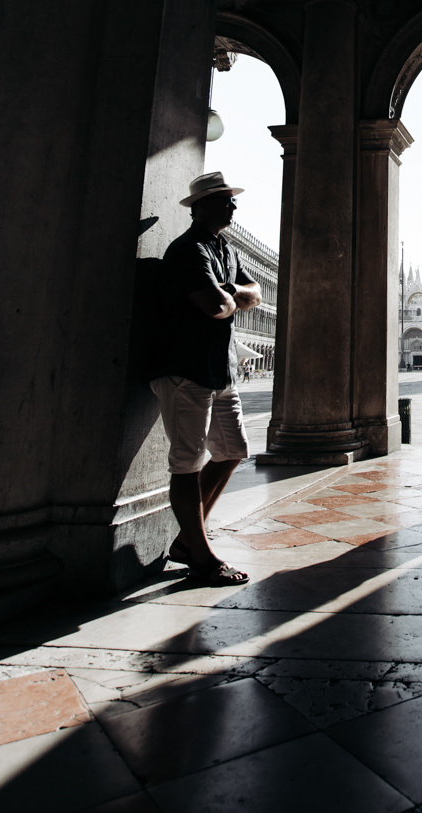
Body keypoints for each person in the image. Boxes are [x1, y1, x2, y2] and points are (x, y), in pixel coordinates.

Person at [150, 171, 261, 586]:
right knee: (187, 462)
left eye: (232, 200)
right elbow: (214, 306)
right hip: (185, 369)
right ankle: (200, 556)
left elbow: (254, 294)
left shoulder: (224, 249)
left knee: (232, 450)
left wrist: (230, 293)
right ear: (201, 208)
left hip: (219, 369)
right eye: (224, 200)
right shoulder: (188, 249)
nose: (233, 206)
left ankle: (186, 542)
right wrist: (232, 297)